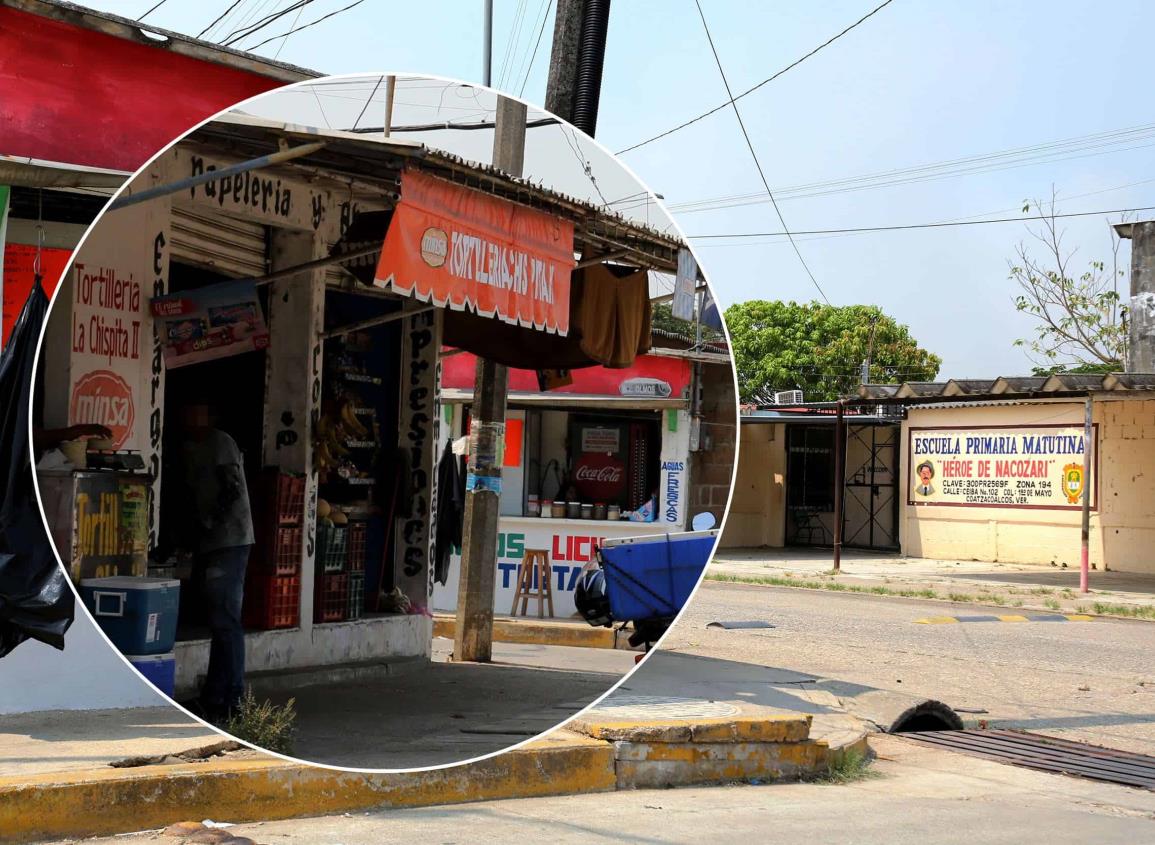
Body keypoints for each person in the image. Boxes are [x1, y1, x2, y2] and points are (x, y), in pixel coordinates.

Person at [175, 403, 254, 722]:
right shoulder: (189, 448)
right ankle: (215, 693)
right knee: (217, 620)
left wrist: (209, 521)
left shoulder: (220, 443)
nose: (191, 418)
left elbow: (232, 489)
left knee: (226, 620)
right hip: (210, 542)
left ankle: (233, 696)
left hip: (230, 540)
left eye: (198, 412)